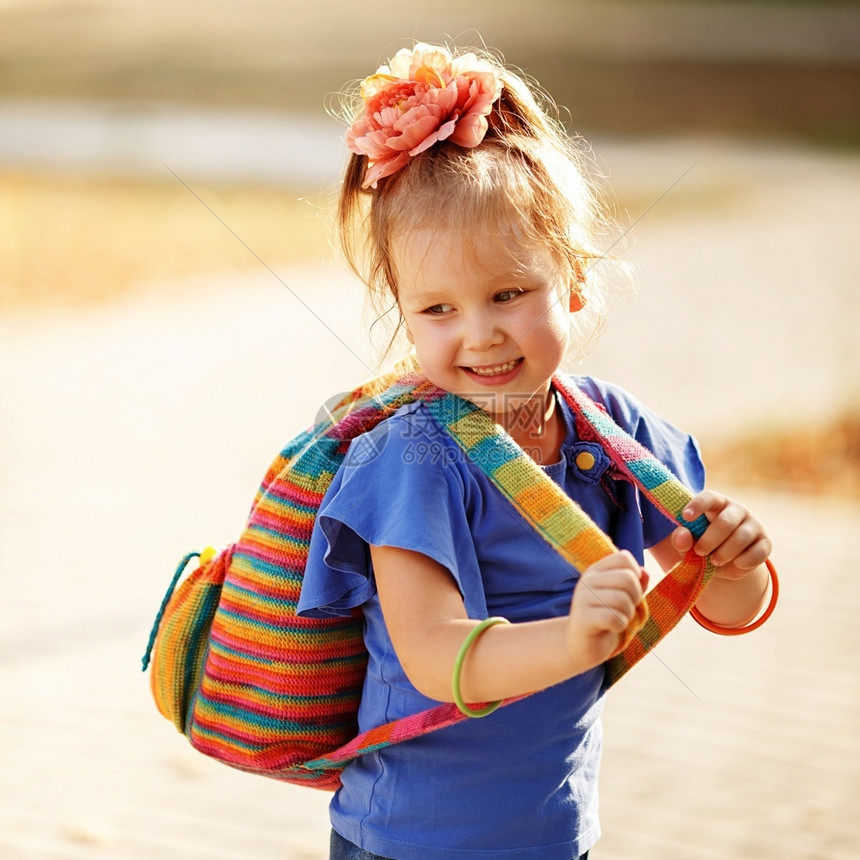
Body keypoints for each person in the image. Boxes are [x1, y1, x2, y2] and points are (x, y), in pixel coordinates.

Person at [298, 42, 773, 860]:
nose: (479, 333)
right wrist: (573, 638)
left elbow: (725, 605)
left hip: (556, 836)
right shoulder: (408, 459)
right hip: (409, 841)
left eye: (509, 293)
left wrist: (736, 563)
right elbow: (438, 654)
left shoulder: (614, 435)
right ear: (403, 315)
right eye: (438, 308)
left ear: (573, 279)